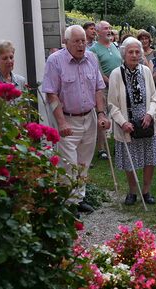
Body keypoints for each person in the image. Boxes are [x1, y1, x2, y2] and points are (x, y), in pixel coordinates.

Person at [42, 25, 109, 214]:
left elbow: (98, 88)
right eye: (76, 41)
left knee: (83, 162)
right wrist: (61, 122)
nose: (81, 45)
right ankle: (67, 203)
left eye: (83, 41)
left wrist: (101, 113)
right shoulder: (55, 61)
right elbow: (51, 94)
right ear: (66, 42)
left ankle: (79, 198)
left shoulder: (92, 58)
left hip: (89, 117)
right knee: (68, 163)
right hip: (67, 120)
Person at [108, 37, 156, 205]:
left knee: (149, 158)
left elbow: (154, 98)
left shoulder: (146, 71)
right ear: (124, 54)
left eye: (137, 52)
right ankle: (132, 191)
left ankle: (146, 191)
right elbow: (112, 104)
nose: (134, 55)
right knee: (130, 158)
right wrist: (123, 122)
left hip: (146, 121)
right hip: (127, 124)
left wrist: (149, 114)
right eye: (130, 52)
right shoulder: (116, 74)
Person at [90, 21, 122, 160]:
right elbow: (98, 72)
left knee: (118, 115)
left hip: (118, 86)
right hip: (103, 88)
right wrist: (112, 82)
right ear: (98, 32)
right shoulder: (93, 50)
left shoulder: (115, 46)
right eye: (105, 29)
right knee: (102, 116)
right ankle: (101, 148)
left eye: (110, 28)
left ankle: (119, 144)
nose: (109, 31)